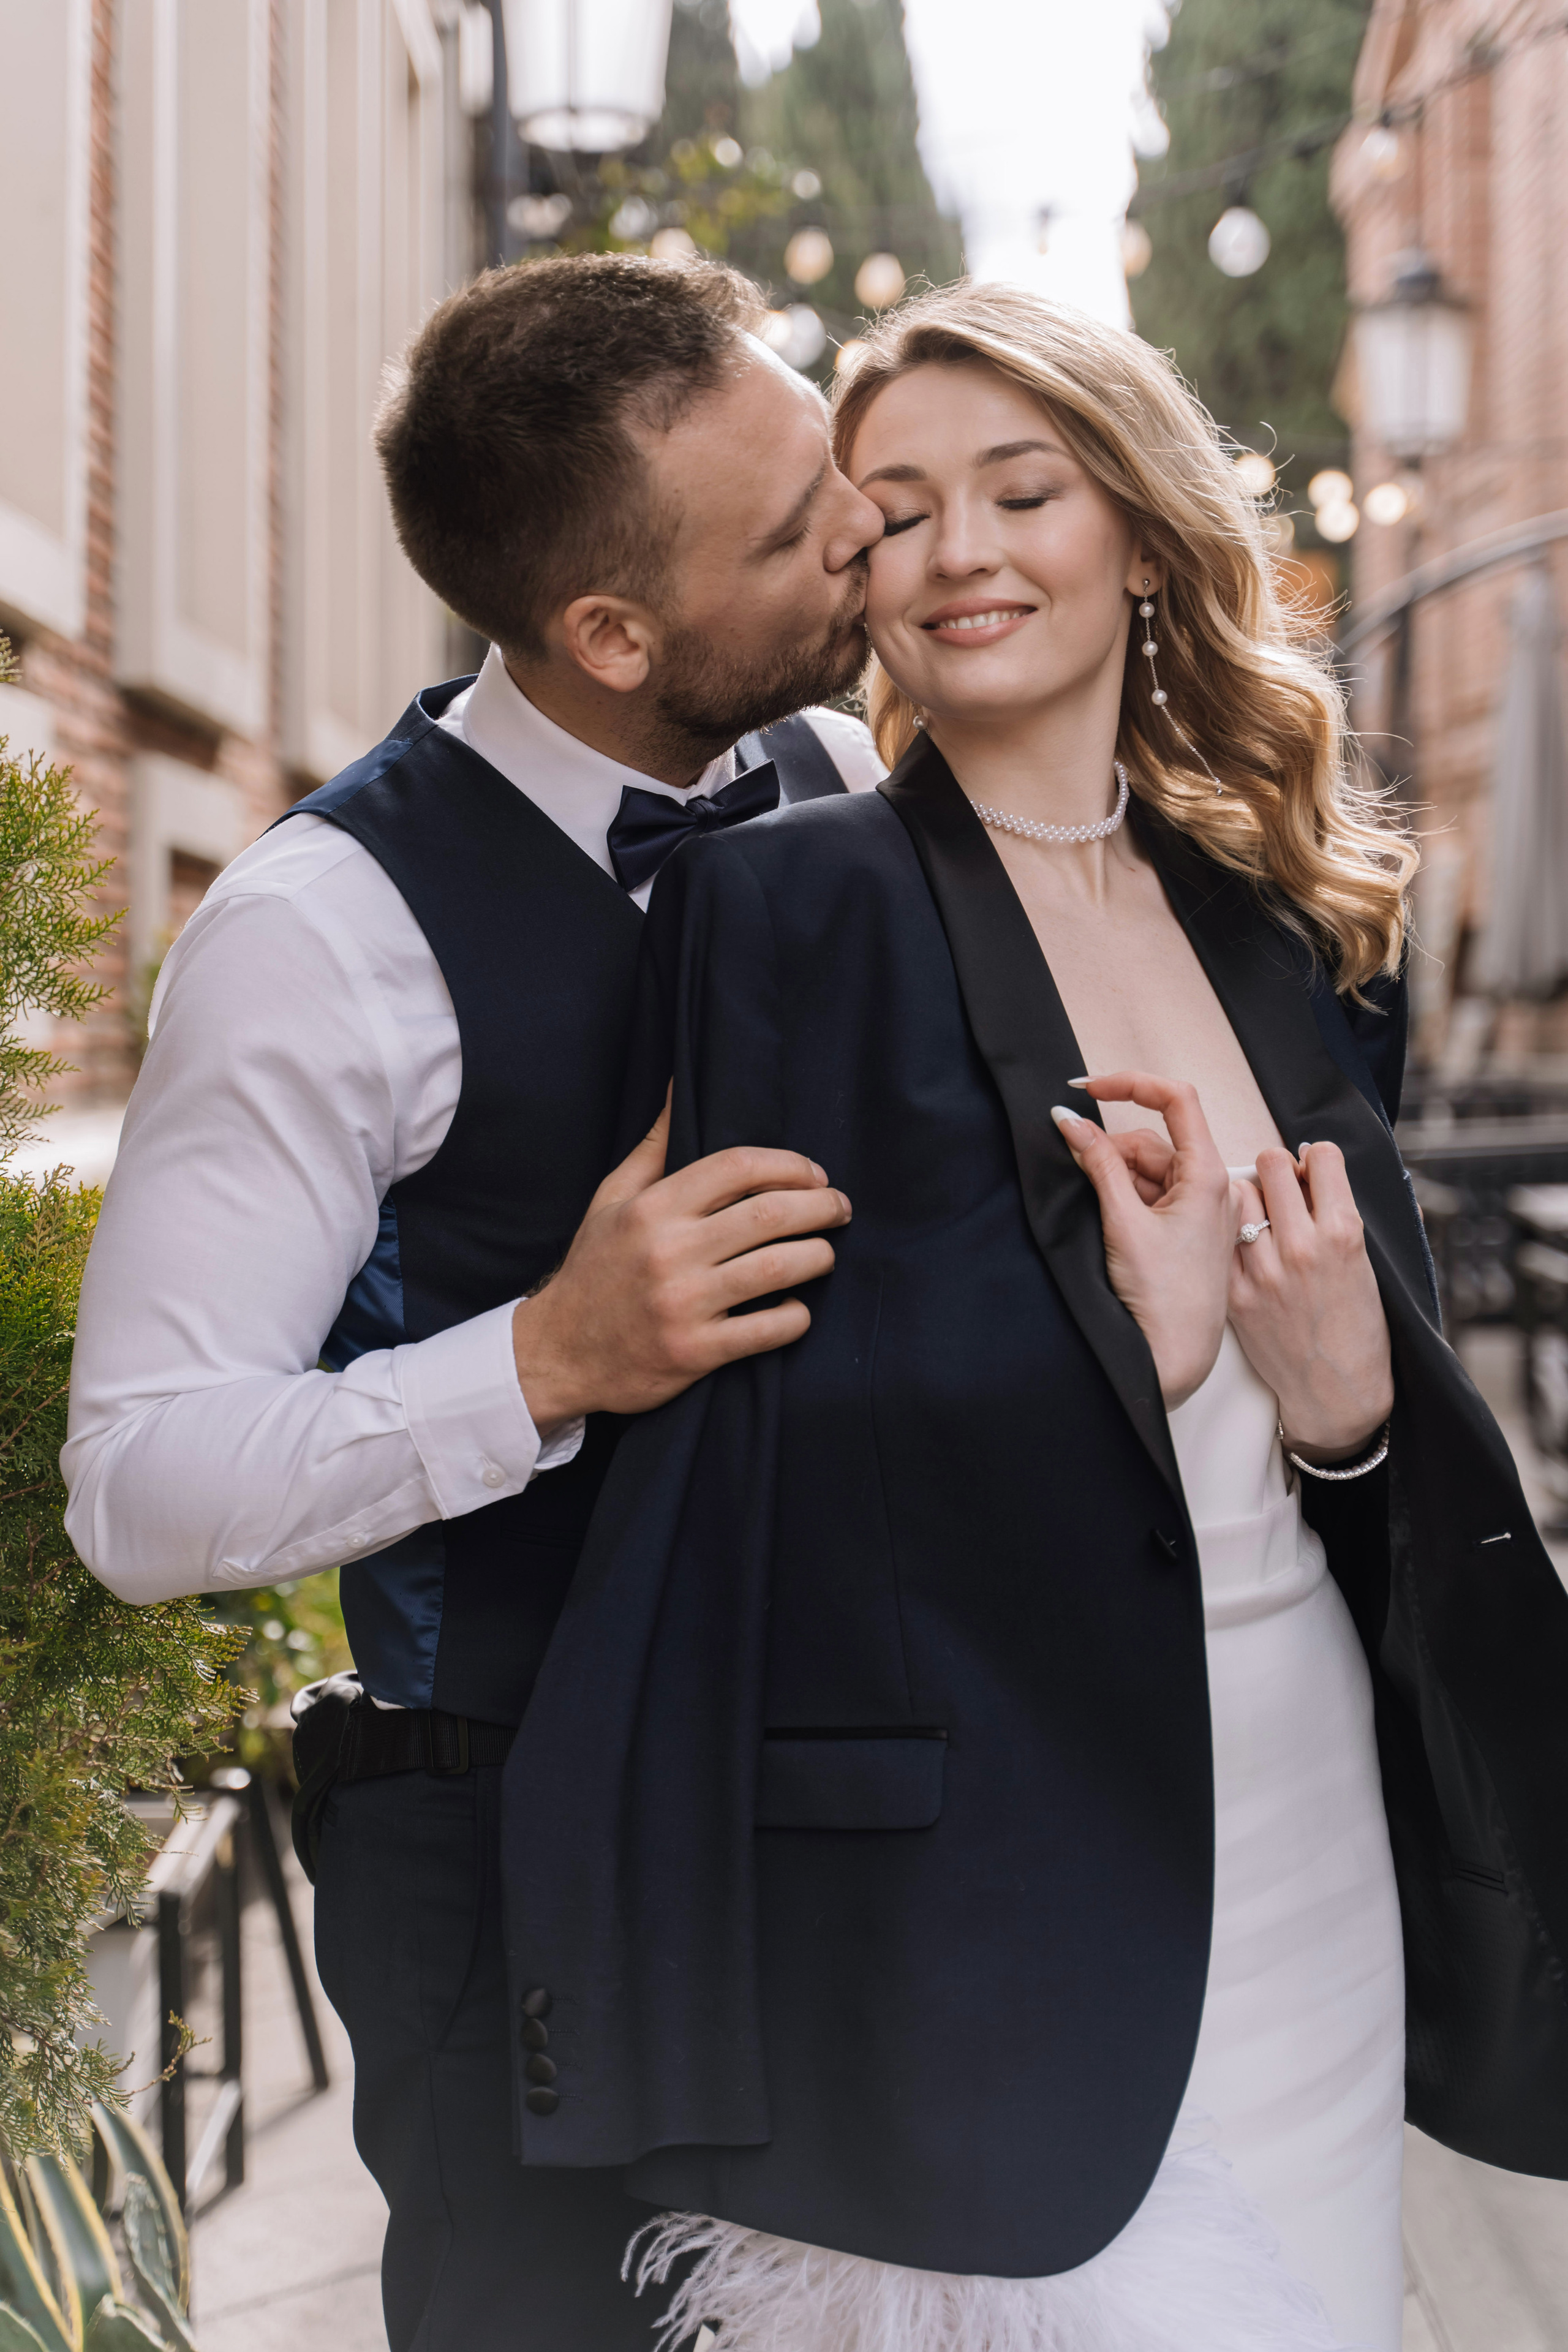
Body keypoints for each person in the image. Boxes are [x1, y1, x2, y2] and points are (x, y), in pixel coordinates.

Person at [503, 282, 1568, 2352]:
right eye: (892, 509)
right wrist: (1142, 1360)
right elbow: (768, 1477)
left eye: (1025, 488)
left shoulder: (1294, 931)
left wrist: (1342, 1415)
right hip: (991, 1886)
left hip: (1313, 1838)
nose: (962, 549)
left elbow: (1373, 1427)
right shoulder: (777, 913)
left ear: (1144, 536)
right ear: (851, 572)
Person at [62, 254, 889, 2349]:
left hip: (843, 1828)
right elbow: (140, 1488)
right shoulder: (313, 938)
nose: (865, 533)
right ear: (612, 634)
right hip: (510, 1863)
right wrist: (546, 1360)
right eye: (794, 530)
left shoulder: (847, 782)